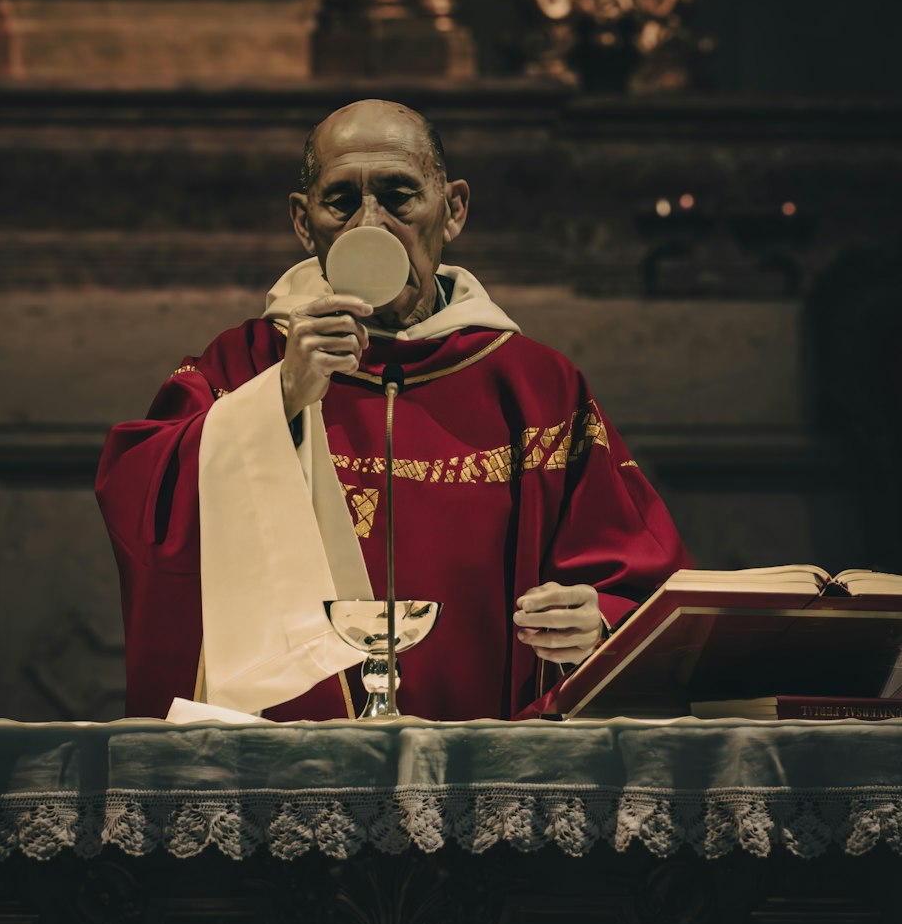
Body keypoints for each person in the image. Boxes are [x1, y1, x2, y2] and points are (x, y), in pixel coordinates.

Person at [96, 99, 690, 721]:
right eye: (341, 201)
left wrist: (597, 624)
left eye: (398, 195)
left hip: (486, 769)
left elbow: (640, 585)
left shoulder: (536, 384)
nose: (370, 225)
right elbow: (139, 498)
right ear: (304, 222)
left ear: (453, 209)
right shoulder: (244, 364)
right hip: (289, 773)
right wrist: (280, 397)